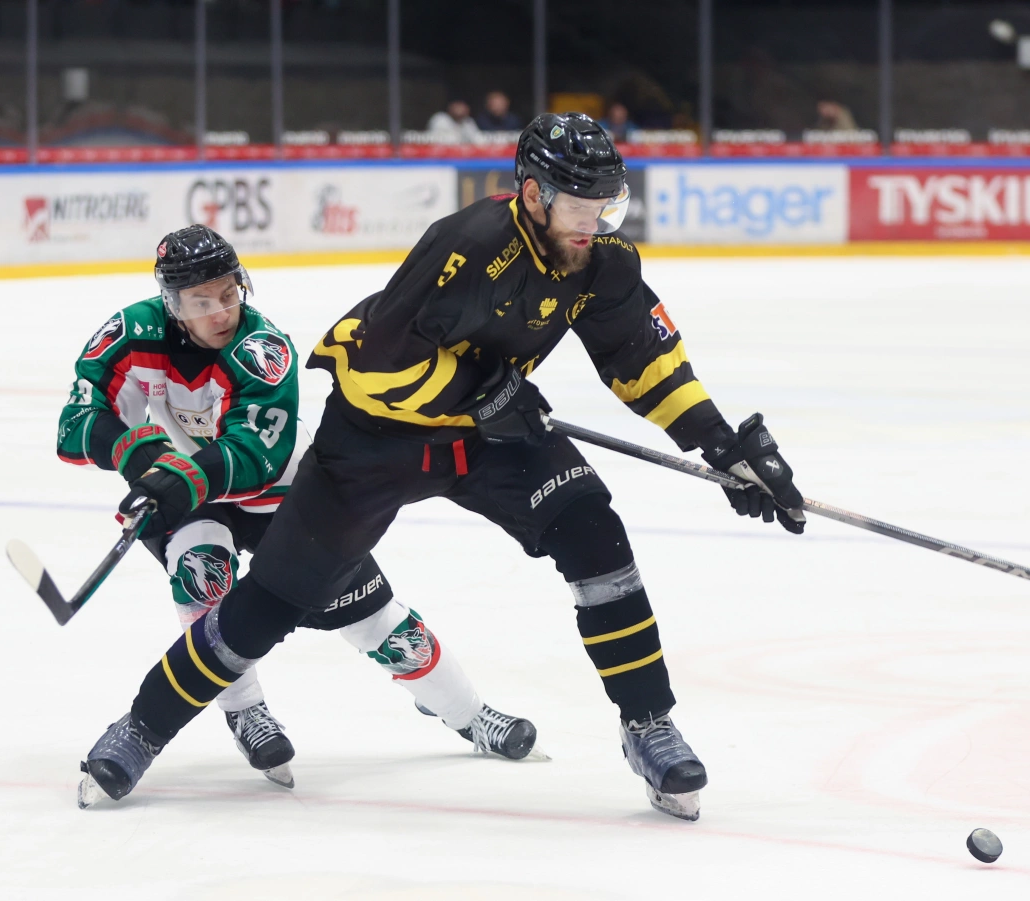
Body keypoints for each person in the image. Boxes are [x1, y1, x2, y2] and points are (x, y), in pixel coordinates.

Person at [78, 114, 805, 822]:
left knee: (593, 530)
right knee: (271, 599)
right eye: (580, 208)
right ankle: (142, 726)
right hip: (376, 438)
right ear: (533, 194)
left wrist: (723, 447)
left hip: (490, 433)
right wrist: (478, 389)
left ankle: (648, 725)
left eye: (605, 207)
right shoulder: (469, 243)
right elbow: (375, 367)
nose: (595, 224)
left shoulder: (603, 260)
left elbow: (644, 361)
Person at [61, 225, 539, 808]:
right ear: (172, 304)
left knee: (378, 624)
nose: (221, 312)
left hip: (280, 490)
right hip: (188, 492)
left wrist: (170, 475)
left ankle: (469, 714)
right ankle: (245, 710)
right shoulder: (130, 333)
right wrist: (139, 455)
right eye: (202, 302)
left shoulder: (262, 347)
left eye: (229, 293)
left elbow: (254, 455)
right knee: (202, 575)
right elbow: (75, 422)